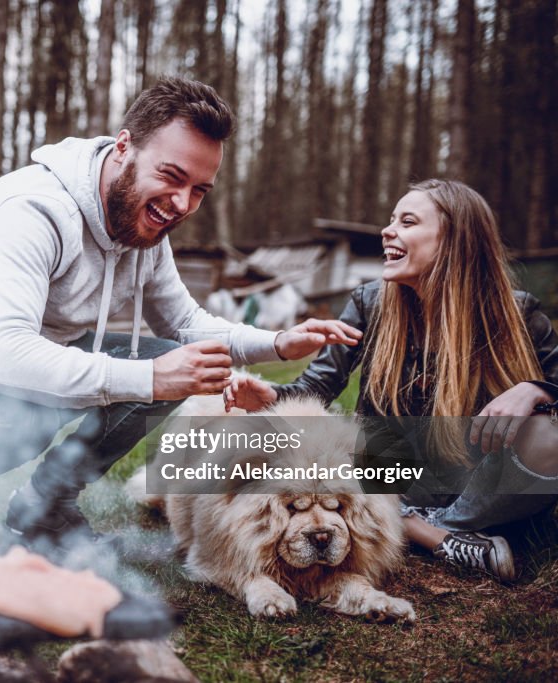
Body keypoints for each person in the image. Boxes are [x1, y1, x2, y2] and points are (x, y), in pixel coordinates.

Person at [0, 77, 361, 548]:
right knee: (34, 407)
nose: (181, 204)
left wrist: (276, 343)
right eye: (172, 177)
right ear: (124, 146)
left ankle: (43, 507)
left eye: (199, 191)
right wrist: (150, 377)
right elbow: (5, 358)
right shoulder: (34, 211)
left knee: (173, 360)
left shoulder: (143, 226)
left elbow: (184, 325)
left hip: (34, 353)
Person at [224, 179, 558, 581]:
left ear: (454, 240)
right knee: (324, 445)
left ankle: (425, 526)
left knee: (550, 436)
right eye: (391, 220)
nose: (388, 230)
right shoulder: (369, 303)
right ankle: (440, 536)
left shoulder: (517, 313)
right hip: (391, 471)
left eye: (408, 221)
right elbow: (318, 388)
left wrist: (535, 389)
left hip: (478, 479)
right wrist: (271, 395)